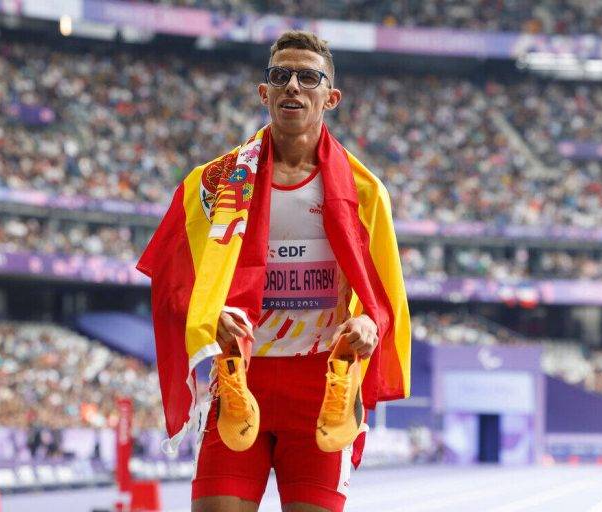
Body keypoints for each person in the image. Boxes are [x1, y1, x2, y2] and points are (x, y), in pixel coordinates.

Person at [138, 30, 410, 512]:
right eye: (280, 76)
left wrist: (369, 324)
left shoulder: (366, 192)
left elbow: (383, 300)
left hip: (321, 392)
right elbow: (172, 281)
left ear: (332, 96)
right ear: (264, 93)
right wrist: (207, 317)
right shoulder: (212, 184)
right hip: (241, 381)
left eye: (308, 77)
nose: (293, 86)